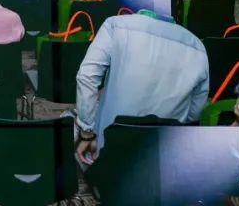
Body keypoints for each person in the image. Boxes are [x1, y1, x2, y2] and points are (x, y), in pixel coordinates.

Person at [74, 12, 208, 164]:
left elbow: (87, 76)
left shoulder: (114, 25)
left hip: (111, 146)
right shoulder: (197, 46)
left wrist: (87, 132)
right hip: (167, 153)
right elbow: (194, 112)